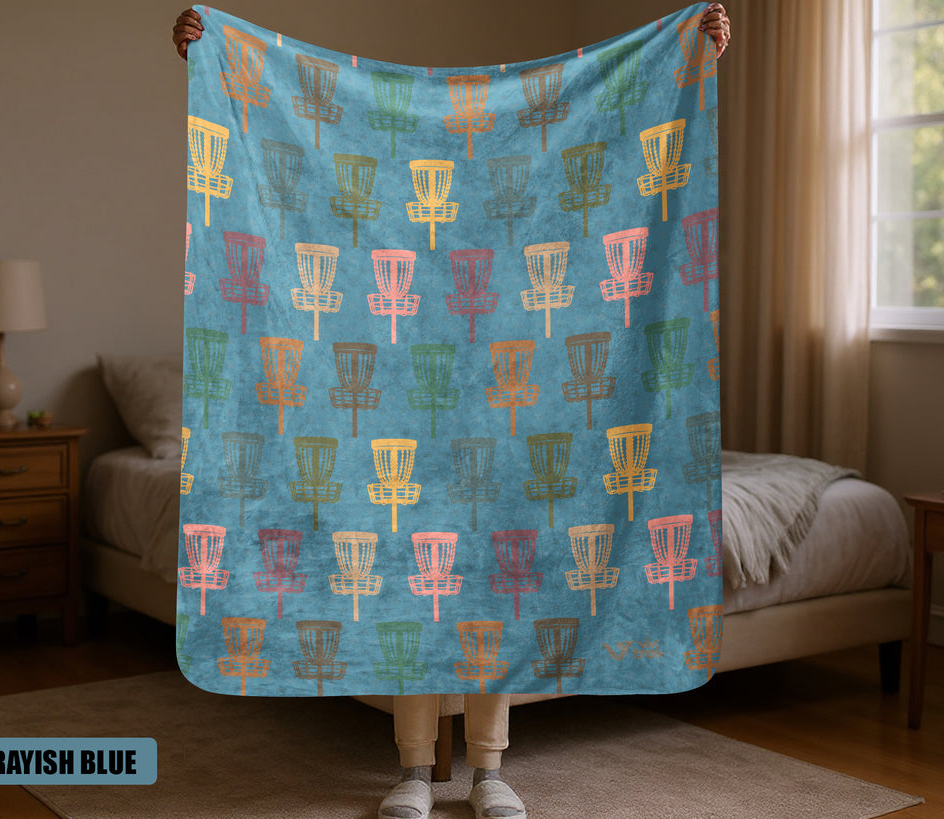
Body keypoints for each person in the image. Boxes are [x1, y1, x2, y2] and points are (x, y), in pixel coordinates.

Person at [171, 5, 730, 817]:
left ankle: (490, 769)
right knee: (408, 580)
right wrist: (208, 44)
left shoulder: (508, 260)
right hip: (394, 407)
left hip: (503, 403)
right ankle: (412, 770)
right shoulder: (383, 253)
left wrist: (697, 46)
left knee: (493, 585)